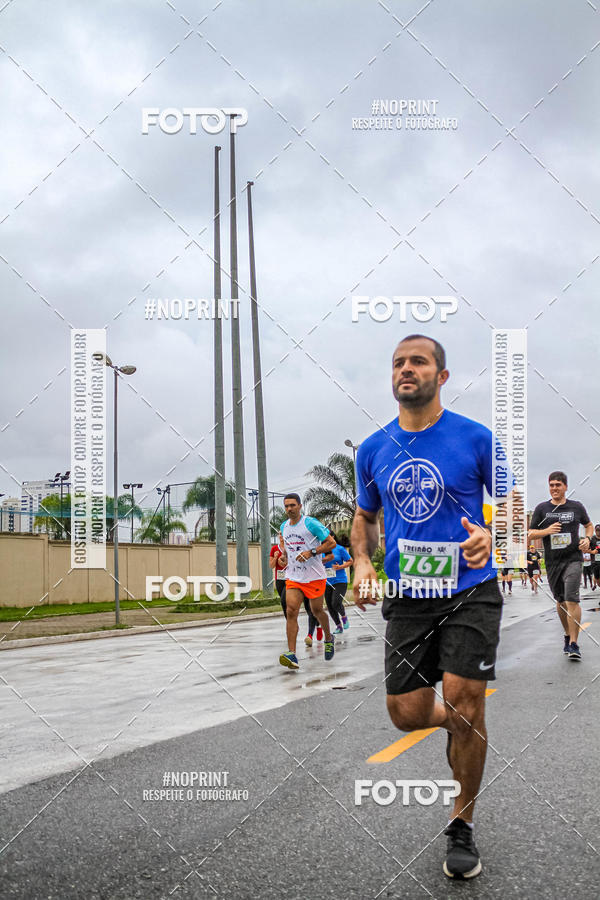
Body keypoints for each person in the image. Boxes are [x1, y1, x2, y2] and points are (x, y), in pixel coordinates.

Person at [351, 334, 510, 881]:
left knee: (467, 700)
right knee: (407, 714)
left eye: (418, 361)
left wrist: (492, 534)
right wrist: (364, 564)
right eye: (397, 362)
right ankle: (456, 724)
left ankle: (461, 822)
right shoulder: (372, 449)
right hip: (409, 596)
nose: (406, 369)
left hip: (470, 588)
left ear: (441, 376)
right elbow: (363, 517)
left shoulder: (475, 438)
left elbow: (511, 502)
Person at [529, 471, 593, 660]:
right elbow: (530, 534)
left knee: (572, 599)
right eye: (551, 485)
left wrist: (587, 539)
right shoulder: (542, 509)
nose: (554, 488)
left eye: (558, 485)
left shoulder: (576, 507)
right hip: (552, 562)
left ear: (565, 486)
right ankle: (567, 635)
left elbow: (588, 525)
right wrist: (546, 531)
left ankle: (574, 643)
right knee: (561, 601)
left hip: (573, 558)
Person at [277, 493, 336, 669]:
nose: (289, 509)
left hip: (314, 576)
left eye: (292, 505)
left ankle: (328, 637)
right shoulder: (284, 526)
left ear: (300, 506)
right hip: (294, 576)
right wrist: (284, 558)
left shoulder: (310, 523)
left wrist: (312, 552)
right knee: (291, 610)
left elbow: (331, 543)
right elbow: (288, 549)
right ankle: (292, 654)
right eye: (286, 506)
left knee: (316, 610)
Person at [323, 530, 353, 634]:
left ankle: (344, 617)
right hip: (327, 582)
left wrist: (340, 567)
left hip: (340, 580)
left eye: (327, 537)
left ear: (332, 537)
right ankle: (338, 626)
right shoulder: (321, 550)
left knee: (336, 602)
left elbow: (350, 561)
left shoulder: (339, 549)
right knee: (329, 606)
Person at [591, 524, 600, 591]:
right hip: (595, 562)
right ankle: (596, 584)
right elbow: (586, 550)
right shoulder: (592, 539)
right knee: (597, 579)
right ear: (595, 530)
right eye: (597, 530)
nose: (598, 532)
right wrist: (592, 552)